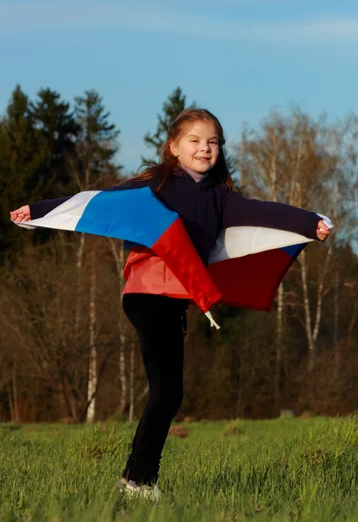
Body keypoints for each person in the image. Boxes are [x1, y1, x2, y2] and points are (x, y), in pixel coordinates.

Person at [10, 108, 331, 500]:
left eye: (212, 142)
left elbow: (263, 211)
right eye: (195, 140)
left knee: (169, 392)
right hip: (148, 292)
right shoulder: (153, 185)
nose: (204, 148)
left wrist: (309, 222)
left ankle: (137, 479)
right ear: (174, 147)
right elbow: (97, 202)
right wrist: (40, 211)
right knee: (166, 390)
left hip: (175, 298)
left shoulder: (221, 198)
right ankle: (137, 481)